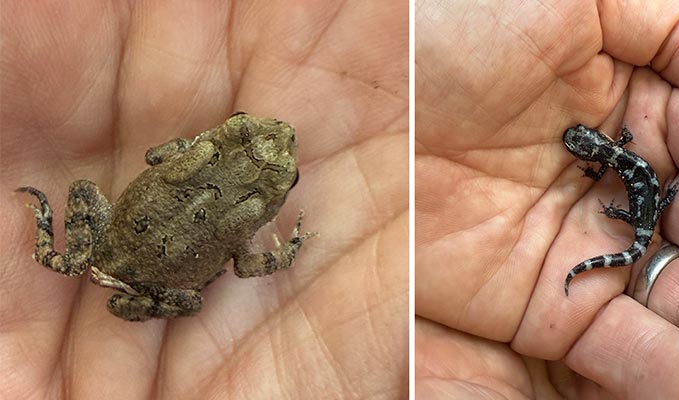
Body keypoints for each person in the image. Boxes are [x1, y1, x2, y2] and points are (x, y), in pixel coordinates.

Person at [0, 1, 408, 398]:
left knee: (85, 192)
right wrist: (290, 251)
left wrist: (189, 147)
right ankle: (65, 259)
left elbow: (153, 157)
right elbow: (248, 267)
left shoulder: (201, 170)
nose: (282, 133)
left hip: (113, 240)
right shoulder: (241, 220)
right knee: (192, 300)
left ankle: (61, 256)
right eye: (239, 124)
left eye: (290, 177)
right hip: (132, 255)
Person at [415, 1, 679, 399]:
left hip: (644, 212)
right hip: (647, 207)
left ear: (593, 150)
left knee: (640, 211)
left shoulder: (610, 161)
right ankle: (607, 246)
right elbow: (625, 164)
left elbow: (613, 174)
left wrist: (618, 209)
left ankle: (592, 259)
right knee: (644, 204)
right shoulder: (617, 150)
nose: (580, 142)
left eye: (582, 142)